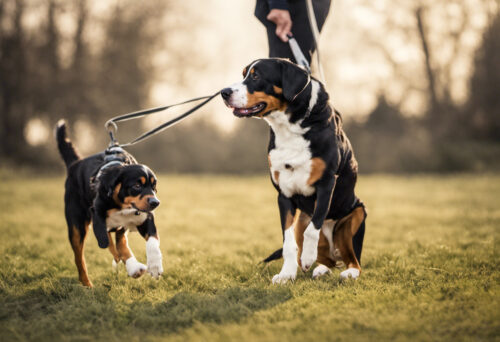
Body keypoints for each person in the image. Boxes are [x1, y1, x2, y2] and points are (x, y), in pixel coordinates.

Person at [254, 0, 331, 64]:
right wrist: (277, 4)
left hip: (312, 7)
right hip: (292, 6)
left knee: (300, 68)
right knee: (287, 69)